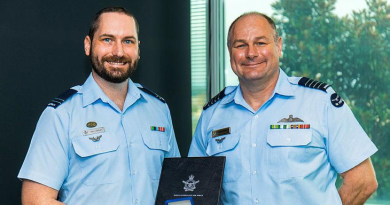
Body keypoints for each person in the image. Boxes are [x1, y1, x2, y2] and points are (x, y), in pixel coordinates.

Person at [188, 12, 378, 205]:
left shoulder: (319, 102)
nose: (251, 53)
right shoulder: (212, 114)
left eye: (260, 43)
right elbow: (195, 191)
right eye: (240, 45)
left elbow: (362, 181)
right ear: (230, 51)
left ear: (278, 46)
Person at [18, 7, 180, 205]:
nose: (118, 52)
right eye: (107, 39)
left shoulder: (159, 110)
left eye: (127, 41)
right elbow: (35, 200)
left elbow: (176, 191)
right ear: (88, 45)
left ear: (138, 49)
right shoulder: (61, 115)